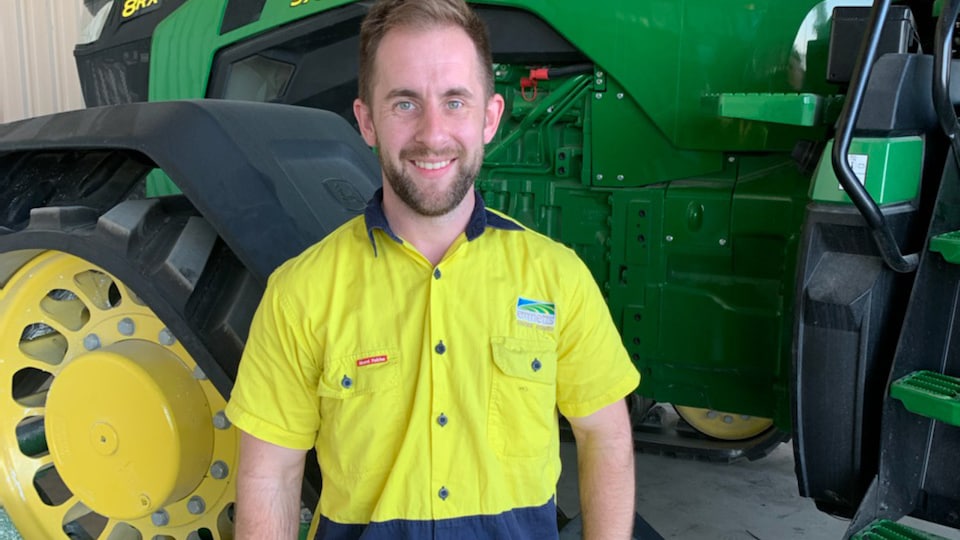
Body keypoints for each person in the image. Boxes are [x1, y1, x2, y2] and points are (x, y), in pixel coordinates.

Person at [224, 0, 641, 538]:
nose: (433, 133)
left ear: (489, 117)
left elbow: (605, 436)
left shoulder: (557, 279)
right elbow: (272, 476)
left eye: (454, 101)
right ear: (367, 121)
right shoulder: (299, 293)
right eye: (404, 104)